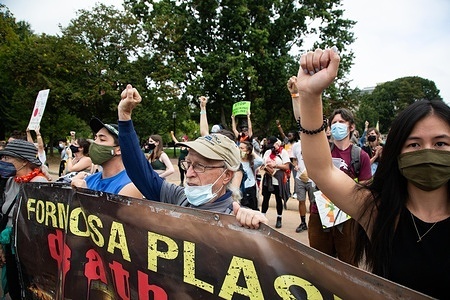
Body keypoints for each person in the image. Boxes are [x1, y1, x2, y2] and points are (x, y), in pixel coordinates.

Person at [295, 47, 450, 299]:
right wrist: (309, 94)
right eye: (414, 145)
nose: (428, 152)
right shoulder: (378, 210)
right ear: (397, 153)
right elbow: (322, 170)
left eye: (441, 143)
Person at [118, 84, 267, 229]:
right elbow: (139, 171)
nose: (189, 174)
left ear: (227, 175)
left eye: (200, 166)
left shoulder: (236, 221)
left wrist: (259, 229)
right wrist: (124, 117)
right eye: (188, 164)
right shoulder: (179, 197)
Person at [0, 139, 49, 299]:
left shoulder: (38, 183)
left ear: (24, 162)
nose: (3, 161)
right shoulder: (10, 180)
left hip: (27, 251)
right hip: (9, 245)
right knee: (13, 288)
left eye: (7, 158)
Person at [70, 117, 142, 198]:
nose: (95, 143)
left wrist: (85, 193)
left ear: (119, 150)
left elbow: (108, 211)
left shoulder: (130, 186)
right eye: (95, 138)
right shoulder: (89, 179)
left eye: (102, 139)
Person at [261, 136, 290, 228]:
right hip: (268, 178)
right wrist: (267, 167)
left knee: (278, 199)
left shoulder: (283, 152)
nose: (271, 148)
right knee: (266, 198)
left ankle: (279, 218)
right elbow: (263, 163)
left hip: (278, 180)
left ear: (277, 144)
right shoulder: (267, 152)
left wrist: (276, 165)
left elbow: (286, 167)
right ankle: (262, 217)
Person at [238, 141, 263, 210]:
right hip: (239, 189)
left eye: (242, 148)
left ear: (248, 151)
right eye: (239, 147)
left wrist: (252, 152)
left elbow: (261, 161)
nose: (239, 150)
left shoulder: (251, 163)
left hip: (249, 188)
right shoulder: (236, 162)